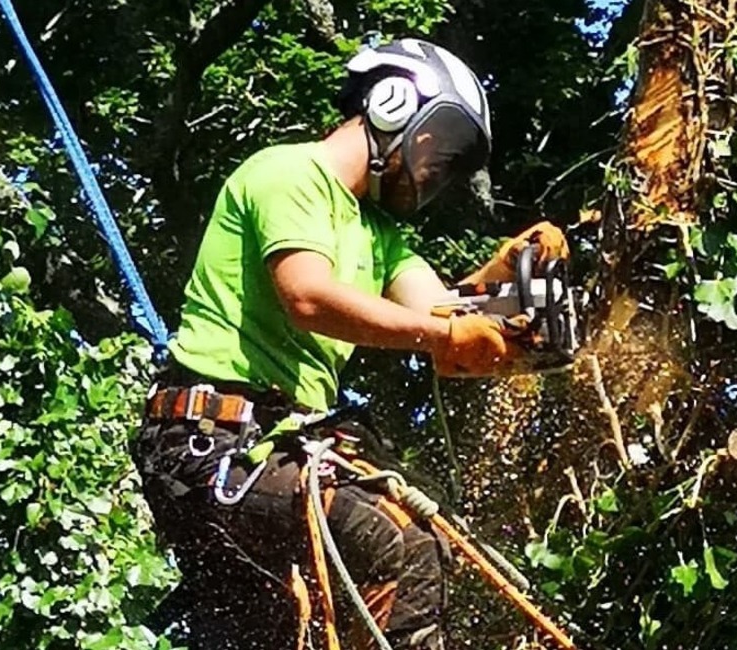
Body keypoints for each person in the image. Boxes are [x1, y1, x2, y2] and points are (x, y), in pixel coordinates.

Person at [131, 37, 568, 649]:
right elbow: (307, 296)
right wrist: (446, 332)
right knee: (398, 538)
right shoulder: (289, 173)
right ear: (393, 103)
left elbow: (442, 320)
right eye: (437, 150)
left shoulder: (379, 234)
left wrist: (507, 296)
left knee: (304, 624)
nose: (433, 174)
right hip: (213, 441)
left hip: (269, 452)